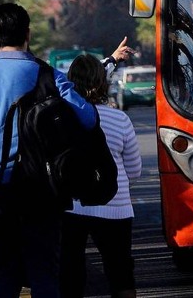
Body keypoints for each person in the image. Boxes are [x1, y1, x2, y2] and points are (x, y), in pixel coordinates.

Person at [0, 2, 97, 298]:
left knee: (3, 269)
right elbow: (88, 118)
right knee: (44, 270)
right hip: (43, 187)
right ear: (28, 34)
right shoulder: (50, 76)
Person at [60, 54, 141, 298]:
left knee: (70, 272)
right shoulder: (120, 119)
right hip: (115, 206)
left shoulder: (62, 118)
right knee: (120, 272)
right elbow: (135, 170)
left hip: (72, 206)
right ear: (102, 83)